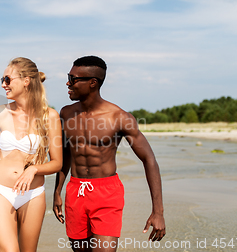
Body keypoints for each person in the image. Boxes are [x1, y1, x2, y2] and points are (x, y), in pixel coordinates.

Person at [53, 56, 165, 252]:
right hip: (75, 190)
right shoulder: (66, 113)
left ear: (92, 83)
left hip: (106, 193)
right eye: (68, 77)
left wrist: (158, 211)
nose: (67, 83)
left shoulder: (119, 118)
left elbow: (149, 160)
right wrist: (57, 191)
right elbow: (65, 154)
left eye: (73, 78)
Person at [0, 57, 62, 252]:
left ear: (26, 81)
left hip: (33, 194)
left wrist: (34, 169)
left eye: (7, 79)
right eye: (2, 79)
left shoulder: (49, 116)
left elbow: (57, 163)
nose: (3, 85)